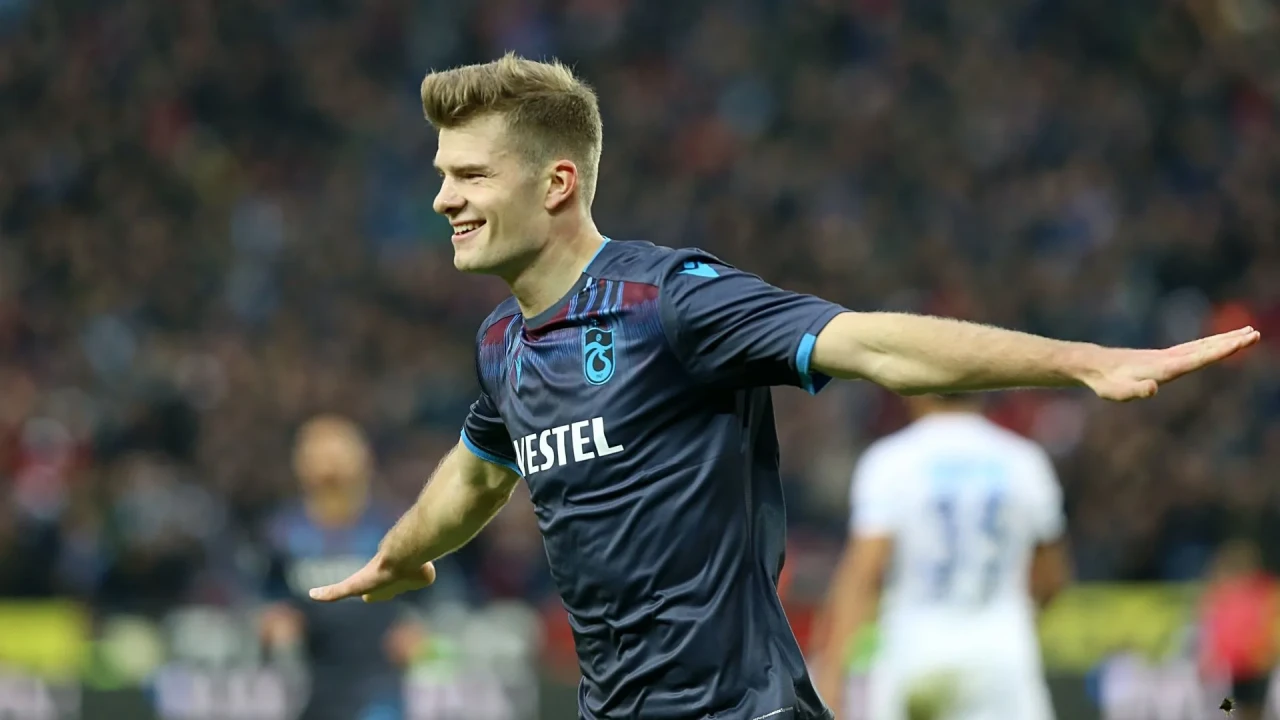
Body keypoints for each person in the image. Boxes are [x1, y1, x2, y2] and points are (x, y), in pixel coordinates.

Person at [307, 53, 1260, 720]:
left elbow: (873, 343)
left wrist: (1083, 361)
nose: (443, 197)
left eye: (470, 175)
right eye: (444, 174)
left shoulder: (667, 300)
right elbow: (480, 470)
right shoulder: (503, 343)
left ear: (556, 183)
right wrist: (398, 554)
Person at [813, 395, 1071, 720]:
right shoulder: (1025, 461)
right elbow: (1052, 579)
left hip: (915, 652)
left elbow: (863, 575)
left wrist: (832, 675)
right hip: (1002, 658)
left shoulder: (891, 461)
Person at [259, 415, 425, 720]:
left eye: (338, 455)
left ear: (364, 460)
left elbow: (429, 595)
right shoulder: (282, 532)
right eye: (319, 456)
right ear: (301, 465)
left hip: (378, 679)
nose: (330, 468)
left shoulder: (392, 527)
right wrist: (276, 622)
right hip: (312, 682)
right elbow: (268, 596)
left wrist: (414, 628)